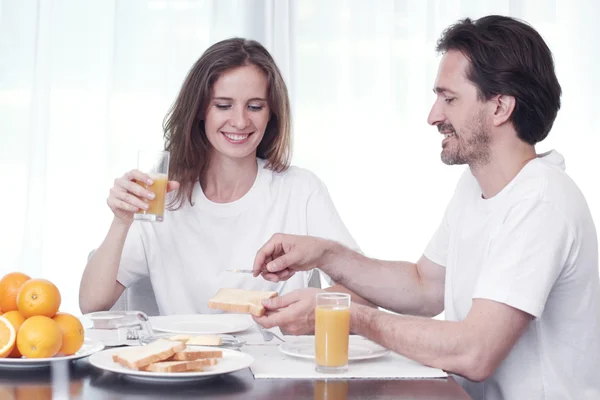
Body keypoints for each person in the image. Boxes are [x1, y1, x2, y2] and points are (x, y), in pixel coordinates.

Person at [252, 16, 600, 400]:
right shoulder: (476, 187)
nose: (433, 116)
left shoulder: (541, 202)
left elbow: (474, 352)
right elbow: (424, 287)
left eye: (449, 99)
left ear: (500, 106)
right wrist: (324, 253)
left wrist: (347, 316)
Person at [79, 38, 368, 319]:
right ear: (200, 110)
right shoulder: (162, 197)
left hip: (276, 363)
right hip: (191, 364)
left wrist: (315, 306)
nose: (241, 121)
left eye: (255, 106)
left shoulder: (301, 190)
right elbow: (92, 303)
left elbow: (365, 296)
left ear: (272, 114)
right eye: (223, 105)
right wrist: (120, 221)